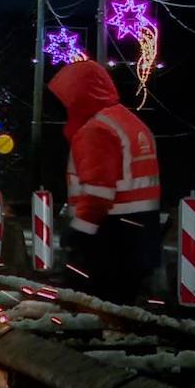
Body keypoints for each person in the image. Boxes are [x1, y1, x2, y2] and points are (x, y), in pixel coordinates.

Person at [48, 60, 162, 305]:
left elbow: (98, 191)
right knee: (123, 307)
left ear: (78, 96)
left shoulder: (95, 130)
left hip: (110, 233)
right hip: (142, 227)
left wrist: (79, 231)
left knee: (93, 304)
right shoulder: (129, 121)